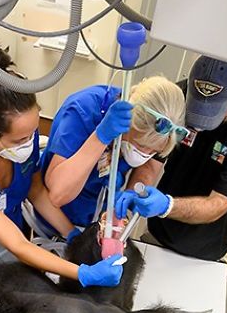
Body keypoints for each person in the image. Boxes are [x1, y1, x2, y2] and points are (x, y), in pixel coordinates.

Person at [0, 42, 123, 289]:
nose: (30, 142)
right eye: (21, 139)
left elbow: (35, 190)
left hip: (11, 233)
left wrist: (72, 235)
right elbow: (18, 245)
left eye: (33, 133)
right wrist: (83, 273)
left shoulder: (20, 142)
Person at [115, 54, 227, 262]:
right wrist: (135, 192)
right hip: (159, 230)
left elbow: (218, 203)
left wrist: (167, 206)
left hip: (206, 246)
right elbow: (151, 163)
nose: (199, 125)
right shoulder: (177, 97)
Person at [41, 76, 186, 229]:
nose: (145, 154)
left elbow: (148, 168)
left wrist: (134, 195)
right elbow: (58, 194)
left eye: (154, 151)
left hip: (93, 224)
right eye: (141, 145)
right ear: (131, 122)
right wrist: (100, 138)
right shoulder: (85, 110)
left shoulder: (161, 129)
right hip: (51, 221)